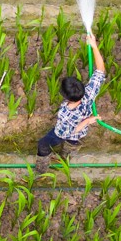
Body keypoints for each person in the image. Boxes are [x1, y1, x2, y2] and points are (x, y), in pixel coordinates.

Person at [36, 32, 106, 170]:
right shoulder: (89, 93)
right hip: (80, 133)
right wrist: (94, 46)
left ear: (65, 96)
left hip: (63, 132)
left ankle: (41, 170)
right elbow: (100, 71)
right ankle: (65, 158)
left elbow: (69, 131)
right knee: (72, 144)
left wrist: (86, 121)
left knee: (43, 144)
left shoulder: (65, 113)